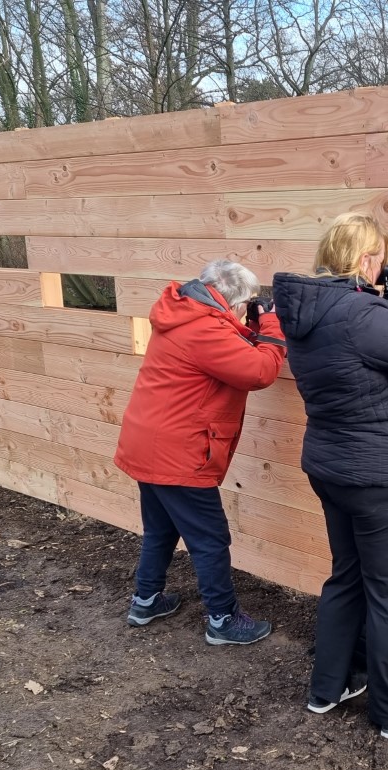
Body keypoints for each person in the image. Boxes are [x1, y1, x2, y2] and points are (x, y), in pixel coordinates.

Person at [272, 213, 388, 740]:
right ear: (367, 257)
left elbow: (370, 349)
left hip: (335, 467)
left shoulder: (315, 309)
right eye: (383, 255)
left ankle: (331, 685)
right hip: (384, 475)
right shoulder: (357, 314)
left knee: (347, 576)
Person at [114, 259, 286, 645]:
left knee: (160, 528)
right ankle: (223, 620)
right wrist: (273, 325)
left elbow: (231, 342)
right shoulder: (205, 328)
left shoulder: (188, 313)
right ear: (234, 302)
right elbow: (259, 372)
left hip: (150, 442)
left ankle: (146, 599)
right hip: (179, 450)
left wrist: (251, 322)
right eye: (248, 304)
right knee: (210, 539)